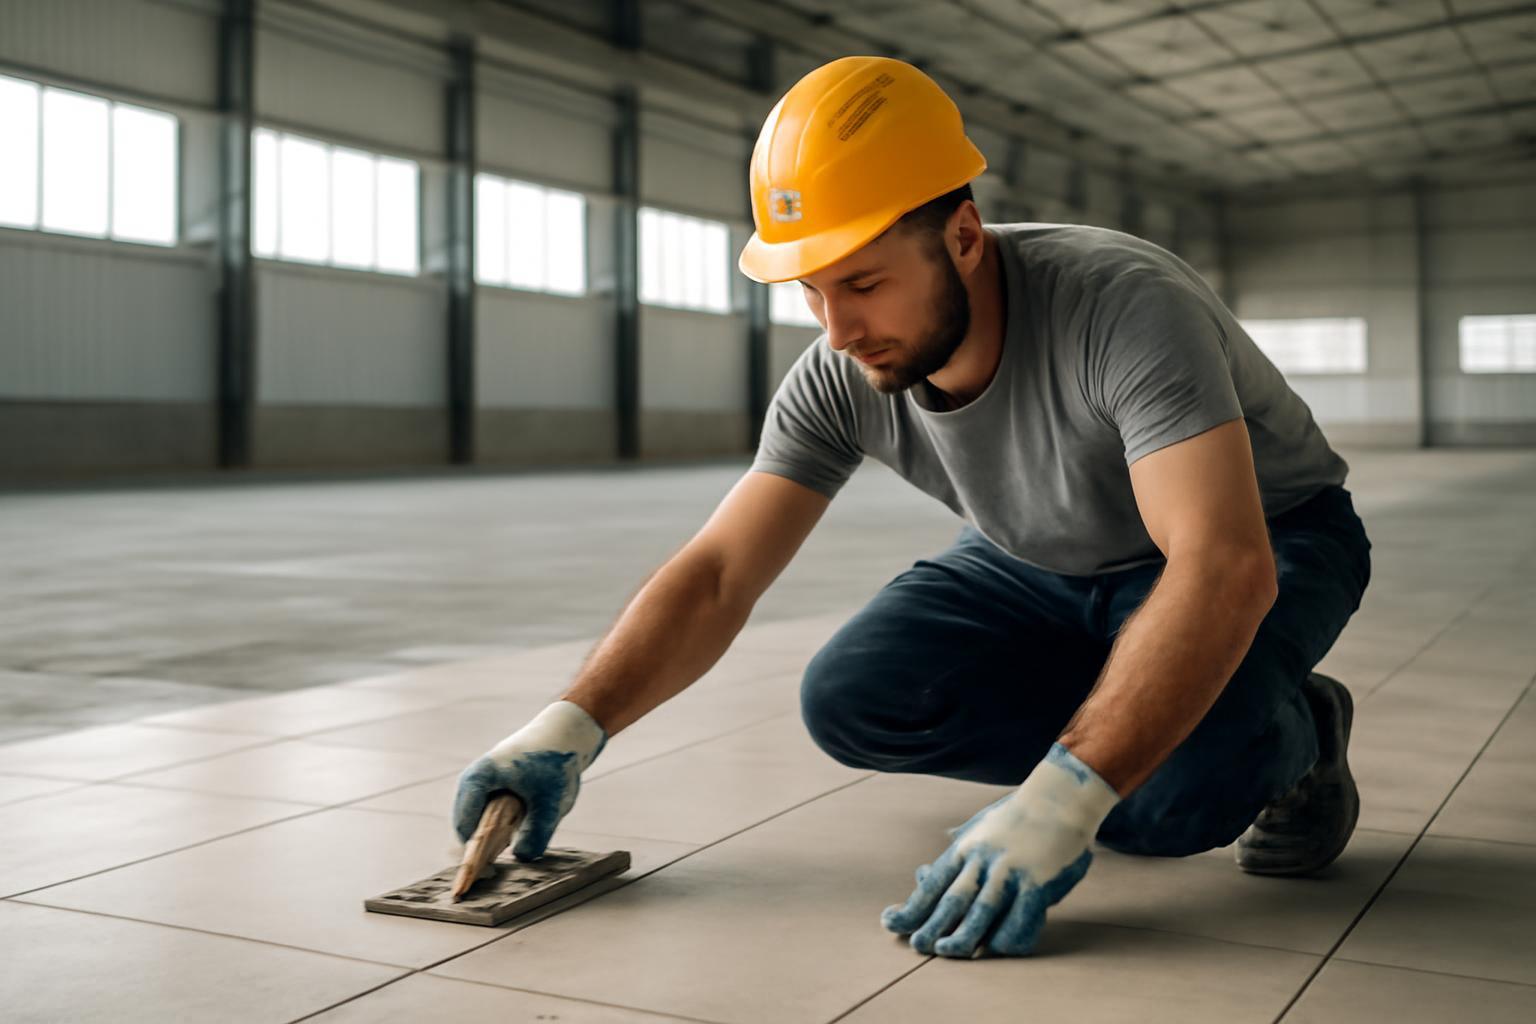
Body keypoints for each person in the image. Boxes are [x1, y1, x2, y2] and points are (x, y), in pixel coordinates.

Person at [450, 55, 1372, 961]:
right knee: (855, 698)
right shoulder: (842, 371)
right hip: (1038, 554)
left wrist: (1063, 802)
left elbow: (1219, 564)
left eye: (862, 282)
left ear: (964, 237)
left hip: (1268, 535)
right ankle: (1157, 708)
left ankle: (1294, 730)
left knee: (1176, 803)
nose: (838, 330)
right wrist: (567, 729)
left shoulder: (1120, 306)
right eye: (809, 290)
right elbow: (722, 572)